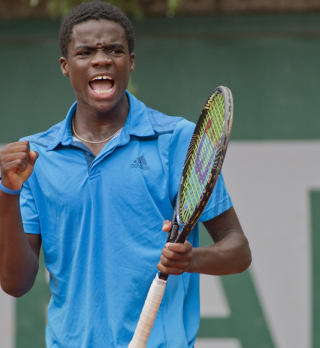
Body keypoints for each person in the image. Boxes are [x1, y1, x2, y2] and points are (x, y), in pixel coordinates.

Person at [0, 1, 251, 347]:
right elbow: (16, 284)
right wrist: (8, 194)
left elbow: (238, 249)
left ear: (130, 62)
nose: (101, 59)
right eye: (86, 52)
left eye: (114, 50)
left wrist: (192, 258)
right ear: (65, 66)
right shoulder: (34, 157)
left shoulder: (177, 140)